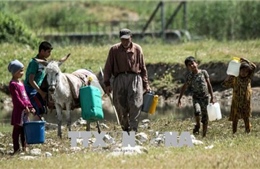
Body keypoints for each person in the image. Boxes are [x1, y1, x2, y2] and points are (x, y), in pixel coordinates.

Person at [103, 28, 151, 132]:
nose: (125, 42)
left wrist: (146, 84)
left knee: (136, 104)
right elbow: (108, 68)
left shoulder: (137, 49)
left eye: (127, 39)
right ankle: (125, 128)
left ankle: (133, 129)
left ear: (131, 38)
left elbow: (143, 67)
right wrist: (107, 83)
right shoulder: (114, 49)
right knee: (120, 105)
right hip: (119, 79)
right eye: (123, 39)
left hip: (135, 79)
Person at [177, 56, 214, 137]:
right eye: (189, 65)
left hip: (205, 98)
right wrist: (179, 98)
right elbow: (184, 87)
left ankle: (204, 135)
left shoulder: (203, 72)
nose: (192, 66)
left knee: (205, 117)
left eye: (192, 63)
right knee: (197, 112)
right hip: (196, 98)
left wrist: (212, 96)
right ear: (188, 68)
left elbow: (209, 84)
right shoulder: (190, 76)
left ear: (196, 63)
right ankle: (197, 125)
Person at [222, 57, 256, 134]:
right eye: (242, 70)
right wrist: (228, 77)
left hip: (246, 102)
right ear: (239, 70)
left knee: (246, 117)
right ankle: (234, 132)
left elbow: (254, 67)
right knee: (235, 118)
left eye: (246, 71)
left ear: (248, 73)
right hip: (236, 102)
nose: (244, 73)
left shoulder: (248, 78)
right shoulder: (235, 78)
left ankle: (248, 131)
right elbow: (224, 84)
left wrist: (246, 60)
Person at [8, 60, 35, 154]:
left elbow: (25, 97)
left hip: (25, 111)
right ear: (14, 72)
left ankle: (24, 146)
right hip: (19, 111)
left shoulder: (21, 83)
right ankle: (16, 149)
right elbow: (17, 99)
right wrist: (24, 106)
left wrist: (30, 106)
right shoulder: (13, 84)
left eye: (23, 70)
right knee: (17, 130)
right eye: (20, 71)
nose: (22, 73)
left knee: (24, 129)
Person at [24, 41, 53, 120]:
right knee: (40, 110)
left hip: (38, 90)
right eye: (48, 52)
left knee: (41, 110)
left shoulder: (44, 62)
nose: (49, 54)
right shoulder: (34, 63)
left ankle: (35, 129)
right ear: (42, 51)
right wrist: (41, 93)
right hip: (31, 90)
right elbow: (31, 81)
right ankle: (35, 130)